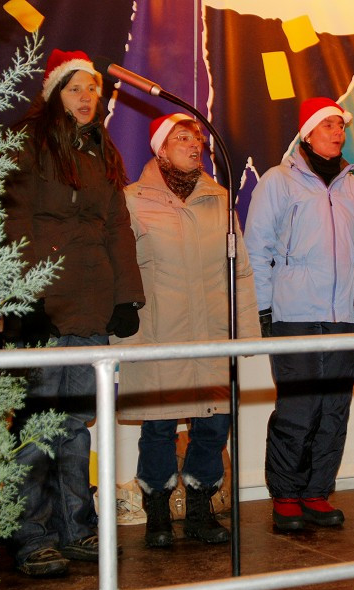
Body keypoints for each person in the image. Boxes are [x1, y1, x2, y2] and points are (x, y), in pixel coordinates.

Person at [2, 49, 144, 577]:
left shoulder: (101, 151)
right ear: (54, 93)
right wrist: (24, 299)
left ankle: (75, 527)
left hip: (90, 304)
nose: (87, 98)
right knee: (37, 425)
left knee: (77, 427)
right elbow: (13, 221)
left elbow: (117, 226)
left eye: (93, 90)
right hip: (43, 304)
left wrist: (126, 296)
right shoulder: (29, 145)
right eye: (75, 88)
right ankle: (31, 534)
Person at [113, 114, 259, 548]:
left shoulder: (219, 197)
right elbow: (124, 271)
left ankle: (199, 508)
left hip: (213, 331)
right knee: (158, 426)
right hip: (161, 330)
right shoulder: (133, 199)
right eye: (182, 137)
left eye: (197, 137)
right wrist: (124, 333)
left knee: (213, 424)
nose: (194, 144)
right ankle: (157, 511)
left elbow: (242, 272)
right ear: (160, 148)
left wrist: (245, 332)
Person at [243, 97, 354, 531]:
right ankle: (286, 494)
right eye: (329, 124)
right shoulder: (279, 181)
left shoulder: (352, 185)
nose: (338, 132)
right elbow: (256, 249)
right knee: (298, 408)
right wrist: (261, 308)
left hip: (343, 315)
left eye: (341, 126)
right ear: (308, 132)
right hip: (294, 312)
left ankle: (317, 490)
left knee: (334, 409)